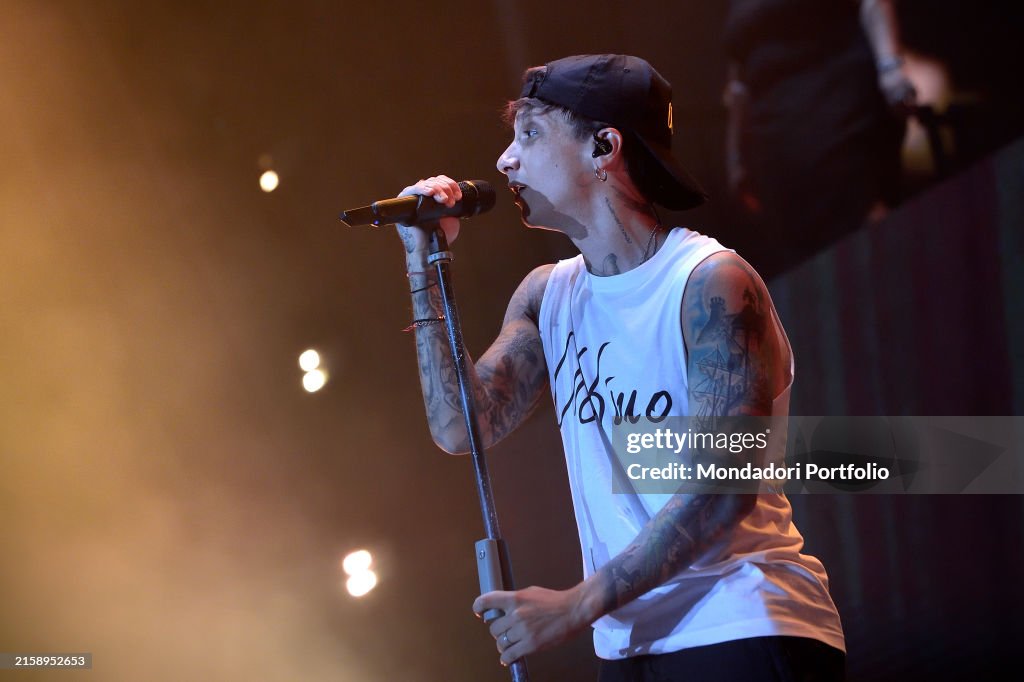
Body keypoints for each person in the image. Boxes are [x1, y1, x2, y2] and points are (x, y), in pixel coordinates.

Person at [395, 54, 845, 681]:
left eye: (528, 134)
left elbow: (721, 490)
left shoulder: (710, 283)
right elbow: (459, 428)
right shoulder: (546, 295)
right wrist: (424, 262)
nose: (504, 161)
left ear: (604, 146)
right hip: (629, 645)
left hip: (740, 622)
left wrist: (573, 607)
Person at [723, 0, 916, 276]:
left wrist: (890, 66)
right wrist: (735, 154)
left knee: (858, 227)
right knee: (798, 248)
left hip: (835, 104)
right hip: (774, 136)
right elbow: (738, 79)